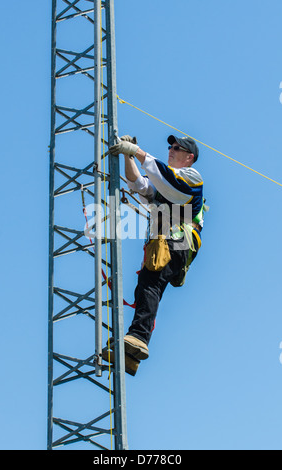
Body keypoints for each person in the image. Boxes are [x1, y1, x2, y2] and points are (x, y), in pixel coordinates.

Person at [106, 134, 206, 375]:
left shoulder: (191, 178)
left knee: (151, 281)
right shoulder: (164, 184)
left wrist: (137, 152)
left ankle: (138, 337)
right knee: (146, 286)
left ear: (189, 157)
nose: (171, 150)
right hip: (166, 240)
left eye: (176, 148)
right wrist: (129, 156)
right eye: (170, 146)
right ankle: (132, 352)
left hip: (179, 240)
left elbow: (169, 180)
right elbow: (140, 185)